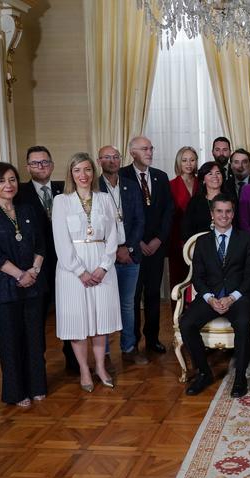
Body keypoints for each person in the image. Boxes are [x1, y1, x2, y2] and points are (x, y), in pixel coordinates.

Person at [0, 162, 47, 407]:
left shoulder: (26, 210)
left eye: (12, 179)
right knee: (11, 342)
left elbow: (41, 244)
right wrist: (19, 275)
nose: (8, 185)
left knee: (35, 340)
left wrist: (33, 271)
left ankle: (37, 386)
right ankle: (16, 393)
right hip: (3, 288)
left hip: (33, 284)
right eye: (2, 180)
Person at [52, 152, 122, 392]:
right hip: (72, 271)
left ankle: (101, 367)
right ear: (71, 174)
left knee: (100, 320)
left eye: (87, 170)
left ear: (94, 172)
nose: (83, 175)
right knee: (78, 321)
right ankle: (84, 370)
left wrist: (103, 267)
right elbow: (61, 241)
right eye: (77, 170)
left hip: (102, 266)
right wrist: (80, 271)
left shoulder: (104, 199)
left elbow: (113, 236)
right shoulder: (62, 201)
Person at [178, 194, 250, 398]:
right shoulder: (202, 242)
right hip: (211, 297)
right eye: (219, 211)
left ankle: (240, 377)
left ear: (233, 213)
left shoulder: (245, 239)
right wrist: (210, 298)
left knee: (243, 324)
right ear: (212, 214)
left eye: (228, 211)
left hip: (238, 297)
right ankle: (204, 373)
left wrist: (232, 297)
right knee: (186, 323)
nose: (224, 215)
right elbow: (198, 277)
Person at [17, 146, 74, 371]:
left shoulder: (65, 189)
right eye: (35, 163)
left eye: (45, 162)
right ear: (27, 166)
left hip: (66, 263)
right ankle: (37, 369)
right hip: (36, 265)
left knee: (69, 313)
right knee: (36, 320)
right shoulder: (19, 193)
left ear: (51, 164)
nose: (41, 166)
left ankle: (73, 361)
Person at [120, 136, 174, 354]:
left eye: (151, 148)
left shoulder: (161, 177)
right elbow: (120, 214)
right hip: (133, 248)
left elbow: (168, 211)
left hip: (156, 247)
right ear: (132, 152)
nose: (150, 152)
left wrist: (159, 239)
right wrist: (137, 242)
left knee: (153, 294)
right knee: (132, 297)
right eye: (144, 149)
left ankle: (153, 339)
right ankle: (132, 341)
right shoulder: (122, 176)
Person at [98, 145, 147, 365]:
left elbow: (139, 220)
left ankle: (129, 347)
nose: (112, 160)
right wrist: (113, 251)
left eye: (115, 157)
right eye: (107, 157)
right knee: (105, 305)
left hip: (130, 255)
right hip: (103, 259)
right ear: (99, 161)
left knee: (128, 304)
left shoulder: (130, 186)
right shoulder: (93, 187)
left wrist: (129, 248)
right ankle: (105, 353)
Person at [169, 146, 200, 301]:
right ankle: (178, 320)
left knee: (199, 279)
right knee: (178, 279)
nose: (189, 164)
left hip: (200, 238)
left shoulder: (202, 183)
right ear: (178, 162)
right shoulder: (170, 185)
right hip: (177, 239)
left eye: (192, 160)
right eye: (184, 160)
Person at [182, 161, 227, 240]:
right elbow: (186, 230)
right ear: (203, 179)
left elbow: (237, 228)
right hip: (200, 247)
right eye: (210, 174)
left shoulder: (231, 200)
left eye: (218, 173)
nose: (215, 176)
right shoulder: (195, 202)